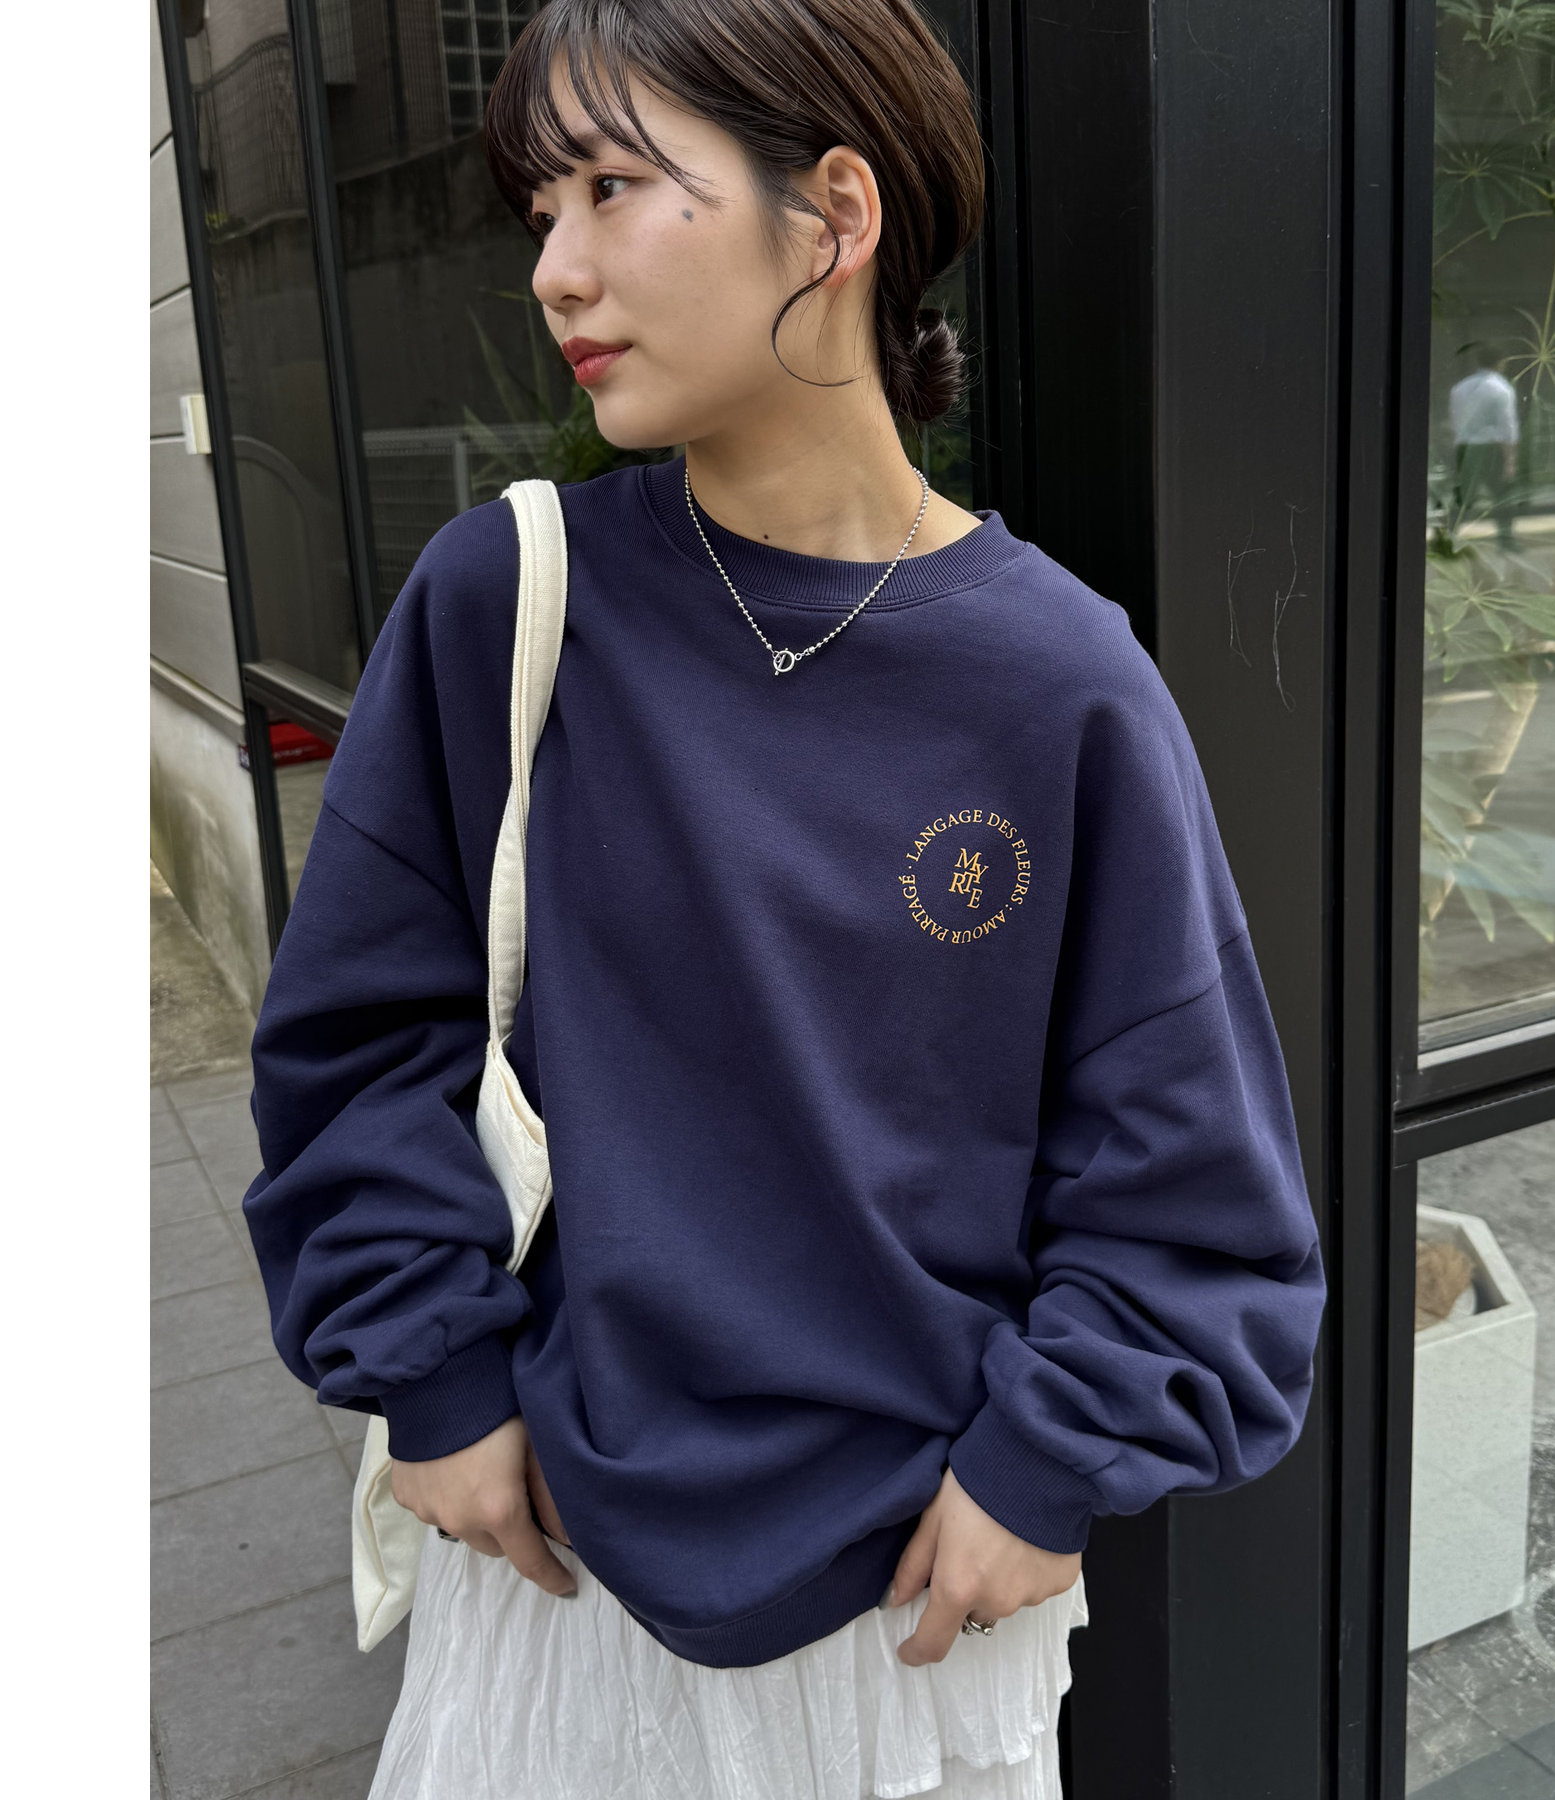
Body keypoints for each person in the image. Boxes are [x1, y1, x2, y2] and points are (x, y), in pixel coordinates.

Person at [239, 2, 1328, 1794]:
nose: (555, 270)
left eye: (611, 188)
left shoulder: (1062, 682)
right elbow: (358, 1040)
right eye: (542, 211)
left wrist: (1045, 1466)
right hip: (556, 1560)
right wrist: (430, 1374)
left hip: (920, 1607)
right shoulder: (508, 602)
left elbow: (1185, 1170)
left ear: (833, 214)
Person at [1448, 343, 1521, 547]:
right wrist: (1510, 459)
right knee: (1502, 496)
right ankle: (1506, 539)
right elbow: (1507, 427)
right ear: (1500, 362)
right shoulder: (1501, 389)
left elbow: (1455, 420)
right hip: (1492, 448)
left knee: (1463, 495)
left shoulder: (1460, 388)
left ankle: (1451, 536)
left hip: (1465, 446)